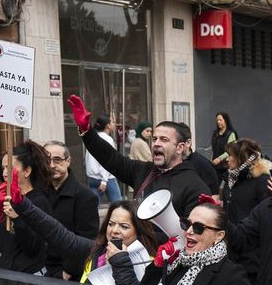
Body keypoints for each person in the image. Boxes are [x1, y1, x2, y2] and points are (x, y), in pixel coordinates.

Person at [70, 96, 207, 226]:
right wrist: (87, 131)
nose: (156, 144)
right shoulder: (143, 170)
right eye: (154, 139)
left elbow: (196, 236)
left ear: (180, 148)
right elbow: (110, 157)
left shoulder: (195, 186)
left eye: (164, 139)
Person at [15, 198, 165, 285]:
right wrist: (22, 204)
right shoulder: (96, 251)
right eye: (111, 224)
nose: (114, 231)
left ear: (139, 231)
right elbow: (57, 234)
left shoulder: (151, 264)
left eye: (124, 226)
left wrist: (120, 262)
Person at [136, 199, 259, 285]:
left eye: (198, 227)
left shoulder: (231, 274)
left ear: (219, 236)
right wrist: (157, 266)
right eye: (187, 224)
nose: (189, 231)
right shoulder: (176, 263)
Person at [0, 142, 53, 275]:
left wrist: (17, 219)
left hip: (24, 281)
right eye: (3, 168)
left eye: (10, 167)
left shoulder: (39, 201)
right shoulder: (5, 197)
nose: (5, 173)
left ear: (27, 171)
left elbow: (34, 248)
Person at [39, 141, 101, 279]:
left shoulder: (85, 197)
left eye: (57, 160)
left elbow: (86, 241)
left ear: (68, 161)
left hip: (65, 274)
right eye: (46, 160)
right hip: (39, 270)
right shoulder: (39, 191)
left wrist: (68, 271)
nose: (51, 165)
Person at [83, 117, 122, 204]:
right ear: (108, 125)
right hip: (106, 178)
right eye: (112, 122)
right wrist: (104, 180)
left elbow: (88, 159)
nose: (114, 124)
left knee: (94, 207)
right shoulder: (107, 139)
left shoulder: (92, 137)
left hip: (92, 178)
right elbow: (107, 160)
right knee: (118, 205)